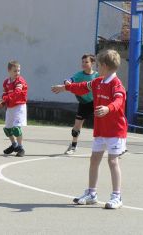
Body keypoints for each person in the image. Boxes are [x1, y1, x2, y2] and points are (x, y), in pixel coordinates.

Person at [52, 49, 127, 209]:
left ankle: (117, 197)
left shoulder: (116, 84)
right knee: (94, 160)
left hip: (115, 131)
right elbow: (82, 87)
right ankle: (92, 193)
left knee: (113, 161)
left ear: (105, 66)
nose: (97, 67)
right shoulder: (97, 82)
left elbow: (119, 101)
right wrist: (65, 87)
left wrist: (108, 109)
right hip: (101, 130)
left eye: (98, 65)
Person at [63, 54, 99, 154]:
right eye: (82, 62)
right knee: (76, 127)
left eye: (86, 62)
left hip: (95, 103)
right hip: (84, 104)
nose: (84, 64)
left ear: (92, 63)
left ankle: (118, 146)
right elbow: (70, 79)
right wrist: (67, 82)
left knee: (103, 125)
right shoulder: (79, 75)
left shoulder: (97, 75)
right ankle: (73, 146)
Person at [0, 61, 28, 157]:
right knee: (7, 129)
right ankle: (14, 145)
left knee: (16, 129)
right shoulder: (6, 82)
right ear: (9, 71)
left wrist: (4, 99)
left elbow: (17, 93)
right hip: (10, 107)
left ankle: (21, 148)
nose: (17, 73)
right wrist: (3, 102)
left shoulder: (20, 81)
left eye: (19, 70)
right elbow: (5, 94)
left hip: (19, 106)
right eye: (15, 71)